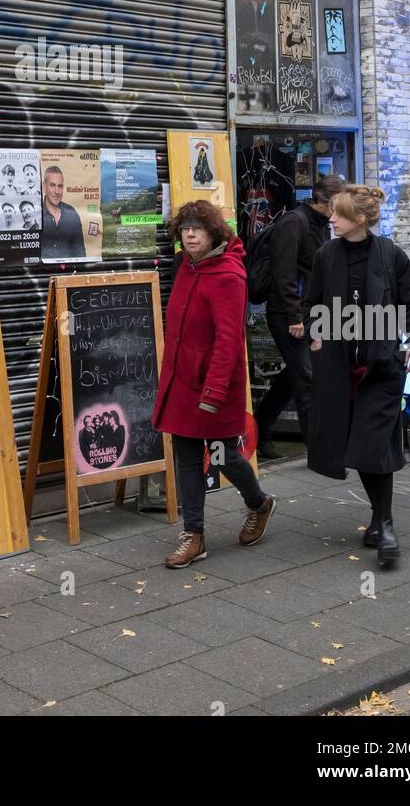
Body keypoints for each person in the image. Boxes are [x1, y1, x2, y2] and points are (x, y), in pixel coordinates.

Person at [302, 183, 410, 567]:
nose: (331, 218)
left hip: (381, 367)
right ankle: (377, 519)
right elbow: (312, 303)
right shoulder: (326, 255)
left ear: (359, 219)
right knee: (352, 445)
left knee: (374, 445)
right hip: (340, 370)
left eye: (337, 214)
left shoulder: (392, 256)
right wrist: (315, 331)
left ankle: (385, 525)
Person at [152, 200, 276, 567]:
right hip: (181, 382)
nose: (190, 234)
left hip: (214, 386)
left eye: (198, 229)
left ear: (213, 233)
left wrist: (215, 390)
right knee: (187, 458)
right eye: (185, 229)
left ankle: (259, 502)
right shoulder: (185, 267)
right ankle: (194, 535)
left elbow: (228, 341)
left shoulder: (228, 276)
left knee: (223, 456)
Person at [254, 174, 345, 460]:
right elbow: (284, 275)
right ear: (324, 201)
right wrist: (295, 317)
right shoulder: (294, 223)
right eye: (340, 204)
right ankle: (318, 450)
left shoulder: (320, 225)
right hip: (287, 315)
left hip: (310, 314)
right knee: (307, 378)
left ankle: (259, 428)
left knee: (295, 375)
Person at [40, 165, 86, 260]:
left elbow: (80, 253)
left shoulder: (72, 214)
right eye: (52, 185)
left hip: (67, 272)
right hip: (41, 273)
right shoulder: (36, 213)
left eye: (60, 186)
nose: (57, 191)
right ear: (44, 186)